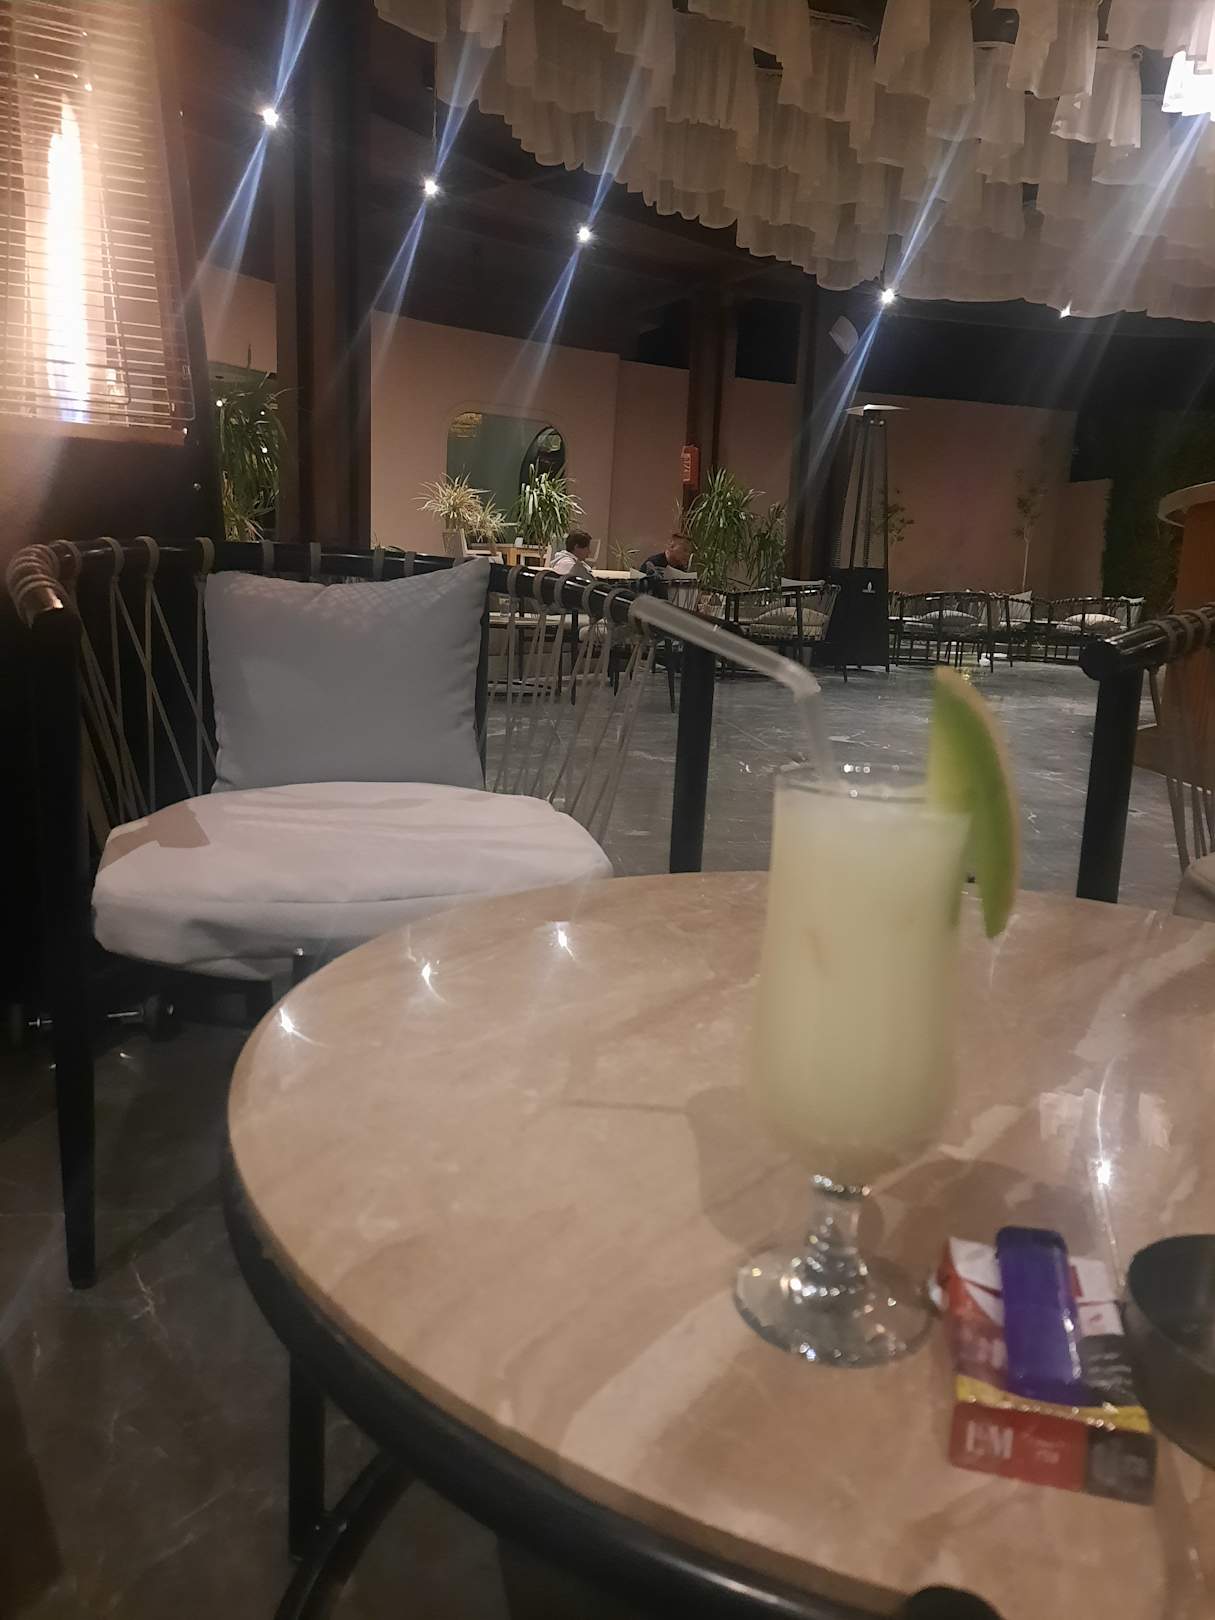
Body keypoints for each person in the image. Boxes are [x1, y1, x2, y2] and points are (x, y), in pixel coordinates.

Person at [640, 533, 693, 598]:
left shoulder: (681, 570)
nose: (687, 554)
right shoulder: (653, 564)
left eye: (689, 552)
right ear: (671, 547)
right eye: (685, 550)